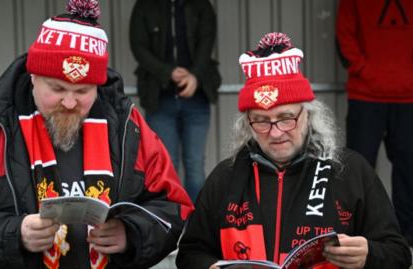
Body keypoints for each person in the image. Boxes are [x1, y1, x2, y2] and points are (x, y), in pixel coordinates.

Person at [0, 1, 194, 268]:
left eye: (83, 91)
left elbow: (175, 211)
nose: (69, 103)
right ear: (33, 76)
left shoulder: (128, 125)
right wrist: (13, 233)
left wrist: (132, 234)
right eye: (57, 88)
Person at [176, 32, 412, 269]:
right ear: (247, 123)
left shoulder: (350, 171)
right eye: (261, 120)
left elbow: (399, 255)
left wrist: (370, 255)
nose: (275, 132)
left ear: (308, 115)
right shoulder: (226, 177)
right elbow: (190, 254)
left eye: (286, 118)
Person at [336, 0, 413, 247]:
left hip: (409, 96)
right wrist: (362, 68)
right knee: (358, 167)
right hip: (365, 96)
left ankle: (407, 235)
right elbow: (343, 35)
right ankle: (358, 232)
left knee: (409, 167)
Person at [129, 0, 222, 202]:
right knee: (164, 165)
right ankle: (170, 223)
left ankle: (195, 225)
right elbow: (138, 47)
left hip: (197, 96)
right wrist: (167, 72)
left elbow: (207, 43)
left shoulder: (201, 5)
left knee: (195, 165)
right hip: (159, 97)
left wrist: (194, 76)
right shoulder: (145, 5)